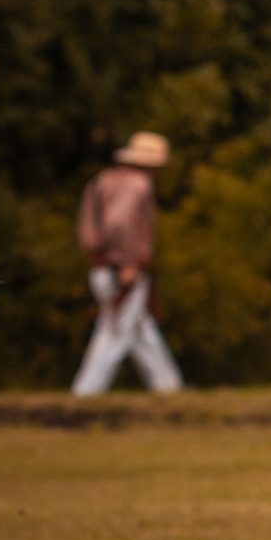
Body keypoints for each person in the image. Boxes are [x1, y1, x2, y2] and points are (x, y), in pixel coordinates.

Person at [71, 131, 185, 396]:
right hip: (121, 267)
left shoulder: (101, 181)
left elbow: (88, 227)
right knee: (114, 332)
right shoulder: (138, 185)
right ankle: (86, 392)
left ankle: (168, 387)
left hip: (99, 266)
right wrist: (128, 262)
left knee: (141, 330)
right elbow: (119, 224)